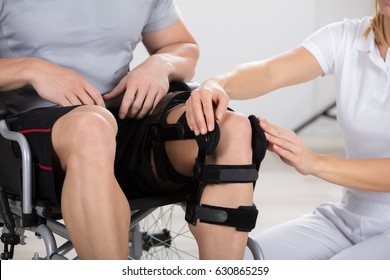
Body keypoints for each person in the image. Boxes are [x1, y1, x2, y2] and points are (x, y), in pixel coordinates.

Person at [0, 0, 265, 260]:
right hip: (31, 136)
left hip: (123, 120)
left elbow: (182, 45)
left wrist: (161, 64)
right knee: (92, 127)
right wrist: (31, 70)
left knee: (230, 131)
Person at [185, 0, 390, 259]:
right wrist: (217, 83)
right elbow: (270, 72)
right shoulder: (346, 37)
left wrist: (315, 163)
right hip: (346, 218)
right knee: (243, 261)